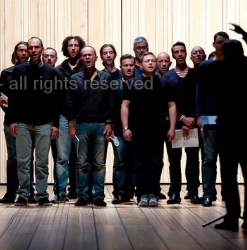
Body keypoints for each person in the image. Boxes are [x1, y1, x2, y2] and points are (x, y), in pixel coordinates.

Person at [188, 24, 247, 235]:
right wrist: (245, 34)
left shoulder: (215, 68)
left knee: (229, 176)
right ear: (241, 51)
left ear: (223, 52)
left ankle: (232, 217)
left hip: (227, 130)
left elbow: (193, 76)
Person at [8, 37, 61, 206]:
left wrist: (55, 124)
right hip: (22, 122)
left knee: (42, 162)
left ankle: (42, 194)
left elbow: (55, 100)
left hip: (44, 122)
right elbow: (13, 97)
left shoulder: (51, 72)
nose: (33, 50)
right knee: (23, 161)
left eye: (36, 47)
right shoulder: (19, 70)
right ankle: (23, 194)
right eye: (30, 47)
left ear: (42, 49)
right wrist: (12, 120)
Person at [121, 52, 177, 207]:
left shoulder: (164, 83)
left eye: (153, 61)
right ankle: (141, 193)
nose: (151, 63)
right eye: (147, 61)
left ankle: (152, 193)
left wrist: (172, 128)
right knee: (139, 163)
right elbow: (125, 106)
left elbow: (171, 106)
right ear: (141, 64)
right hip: (137, 129)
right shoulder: (132, 83)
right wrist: (125, 128)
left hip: (158, 130)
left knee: (156, 162)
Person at [67, 46, 115, 206]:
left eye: (90, 55)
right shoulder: (74, 79)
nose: (87, 58)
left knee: (99, 163)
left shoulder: (106, 77)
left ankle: (98, 196)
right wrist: (71, 125)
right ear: (81, 59)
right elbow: (70, 104)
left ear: (95, 58)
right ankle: (83, 195)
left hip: (101, 125)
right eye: (84, 55)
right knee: (81, 163)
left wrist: (109, 123)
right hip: (80, 125)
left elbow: (110, 103)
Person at [162, 42, 202, 205]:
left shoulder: (195, 74)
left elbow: (199, 98)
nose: (180, 54)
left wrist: (192, 119)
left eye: (182, 51)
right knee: (174, 160)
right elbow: (165, 103)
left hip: (192, 124)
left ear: (186, 54)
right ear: (173, 56)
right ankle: (174, 192)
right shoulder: (167, 77)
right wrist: (181, 118)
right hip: (175, 124)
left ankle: (193, 191)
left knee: (193, 160)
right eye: (176, 52)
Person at [0, 41, 32, 204]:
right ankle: (10, 193)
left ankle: (29, 191)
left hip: (29, 121)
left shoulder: (34, 72)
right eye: (20, 50)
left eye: (26, 51)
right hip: (11, 120)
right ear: (15, 53)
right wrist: (10, 106)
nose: (23, 53)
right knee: (13, 158)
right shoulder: (7, 73)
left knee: (28, 157)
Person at [196, 31, 229, 207]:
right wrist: (199, 115)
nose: (221, 45)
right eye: (218, 42)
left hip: (229, 118)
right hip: (209, 117)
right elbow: (199, 92)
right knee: (209, 158)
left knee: (228, 159)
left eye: (224, 42)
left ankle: (228, 194)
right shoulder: (206, 66)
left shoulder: (234, 66)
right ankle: (208, 194)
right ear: (213, 44)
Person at [54, 36, 86, 201]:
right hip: (64, 117)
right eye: (70, 45)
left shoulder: (87, 69)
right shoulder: (58, 70)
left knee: (82, 159)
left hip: (81, 118)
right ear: (65, 49)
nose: (73, 48)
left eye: (76, 45)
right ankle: (60, 193)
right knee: (62, 157)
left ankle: (82, 193)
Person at [102, 47, 135, 204]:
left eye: (131, 65)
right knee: (120, 162)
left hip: (137, 130)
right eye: (125, 65)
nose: (128, 68)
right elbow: (109, 107)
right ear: (120, 67)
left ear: (135, 66)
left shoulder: (141, 84)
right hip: (117, 130)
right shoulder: (113, 84)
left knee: (134, 162)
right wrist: (110, 125)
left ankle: (131, 192)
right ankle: (119, 193)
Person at [42, 47, 61, 199]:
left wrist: (56, 123)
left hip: (55, 123)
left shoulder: (58, 76)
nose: (49, 59)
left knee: (58, 158)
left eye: (52, 56)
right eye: (46, 56)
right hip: (39, 123)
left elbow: (59, 103)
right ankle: (37, 191)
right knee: (39, 159)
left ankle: (58, 191)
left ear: (56, 59)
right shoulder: (35, 75)